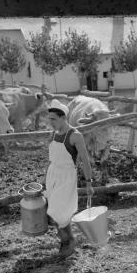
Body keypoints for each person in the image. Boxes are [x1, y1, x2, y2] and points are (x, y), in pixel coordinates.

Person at [45, 99, 95, 258]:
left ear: (63, 118)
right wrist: (44, 180)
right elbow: (50, 159)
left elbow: (86, 161)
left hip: (67, 177)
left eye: (53, 119)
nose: (50, 122)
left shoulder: (75, 136)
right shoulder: (52, 135)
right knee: (54, 212)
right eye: (49, 119)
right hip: (53, 175)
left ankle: (70, 241)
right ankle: (65, 242)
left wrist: (88, 183)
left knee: (61, 212)